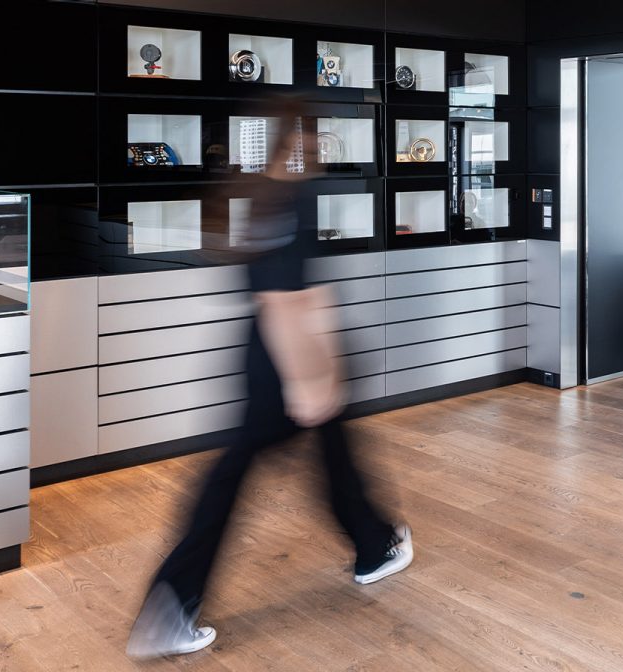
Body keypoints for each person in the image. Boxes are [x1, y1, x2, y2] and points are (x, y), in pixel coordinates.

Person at [126, 99, 413, 659]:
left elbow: (291, 292)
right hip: (284, 355)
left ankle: (374, 542)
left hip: (266, 350)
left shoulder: (264, 196)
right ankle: (173, 599)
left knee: (324, 451)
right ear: (295, 140)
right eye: (315, 135)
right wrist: (312, 377)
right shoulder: (289, 199)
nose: (322, 146)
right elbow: (285, 301)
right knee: (241, 468)